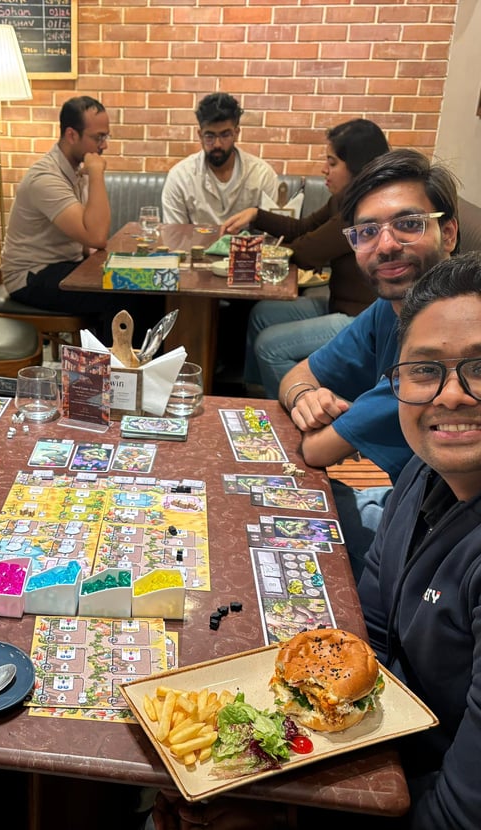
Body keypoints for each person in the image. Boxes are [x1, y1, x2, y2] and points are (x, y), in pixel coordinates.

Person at [154, 251, 481, 830]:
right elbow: (371, 630)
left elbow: (460, 813)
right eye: (425, 370)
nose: (450, 395)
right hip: (383, 748)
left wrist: (292, 816)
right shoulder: (422, 474)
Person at [277, 149, 459, 576]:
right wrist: (305, 397)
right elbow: (298, 375)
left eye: (409, 224)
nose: (387, 244)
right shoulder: (389, 310)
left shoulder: (444, 348)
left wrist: (316, 416)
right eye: (368, 232)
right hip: (410, 505)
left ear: (449, 233)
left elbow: (316, 449)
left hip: (446, 549)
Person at [221, 119, 390, 398]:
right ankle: (259, 394)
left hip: (363, 321)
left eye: (332, 162)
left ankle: (293, 414)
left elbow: (306, 253)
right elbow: (302, 228)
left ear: (358, 167)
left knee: (270, 345)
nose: (324, 169)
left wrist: (254, 252)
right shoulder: (343, 200)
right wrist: (256, 215)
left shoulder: (364, 212)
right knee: (263, 313)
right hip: (338, 306)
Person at [1, 95, 148, 344]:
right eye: (98, 137)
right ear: (71, 135)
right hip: (30, 276)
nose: (104, 145)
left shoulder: (74, 170)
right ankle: (113, 367)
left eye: (106, 136)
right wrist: (96, 172)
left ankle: (138, 362)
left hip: (63, 264)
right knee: (123, 296)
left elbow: (89, 237)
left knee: (142, 286)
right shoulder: (46, 178)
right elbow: (97, 236)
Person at [161, 92, 278, 227]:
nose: (217, 144)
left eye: (225, 135)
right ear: (200, 135)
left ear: (236, 133)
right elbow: (174, 234)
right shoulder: (180, 177)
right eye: (209, 136)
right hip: (195, 242)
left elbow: (272, 234)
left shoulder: (262, 175)